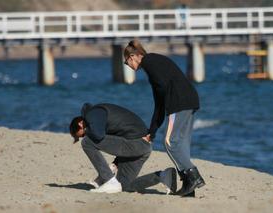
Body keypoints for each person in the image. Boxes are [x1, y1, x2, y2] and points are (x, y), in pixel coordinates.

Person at [123, 40, 205, 197]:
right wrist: (152, 131)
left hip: (178, 103)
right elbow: (159, 102)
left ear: (132, 56)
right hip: (190, 100)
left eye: (127, 63)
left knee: (170, 143)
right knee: (181, 143)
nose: (128, 66)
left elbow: (162, 92)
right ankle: (189, 187)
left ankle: (194, 177)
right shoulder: (153, 63)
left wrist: (167, 113)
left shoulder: (150, 62)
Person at [69, 103, 177, 194]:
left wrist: (106, 176)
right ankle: (163, 176)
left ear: (80, 123)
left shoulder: (93, 114)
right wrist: (116, 163)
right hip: (141, 146)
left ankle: (109, 181)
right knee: (124, 186)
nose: (85, 134)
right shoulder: (97, 118)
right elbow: (120, 137)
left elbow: (98, 136)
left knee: (87, 142)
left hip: (136, 143)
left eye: (82, 134)